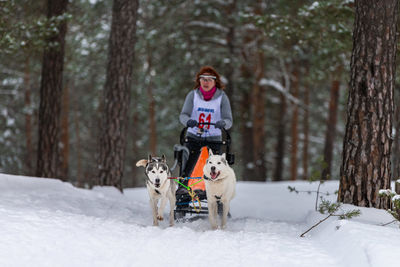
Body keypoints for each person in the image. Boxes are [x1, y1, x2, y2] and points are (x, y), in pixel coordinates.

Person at [179, 66, 233, 179]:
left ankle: (212, 190)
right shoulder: (192, 95)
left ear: (215, 81)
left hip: (214, 138)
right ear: (199, 81)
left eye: (209, 79)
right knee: (187, 164)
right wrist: (188, 122)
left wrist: (223, 123)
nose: (205, 82)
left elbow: (229, 120)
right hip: (193, 135)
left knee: (214, 167)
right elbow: (183, 115)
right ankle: (183, 187)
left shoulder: (222, 98)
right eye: (203, 79)